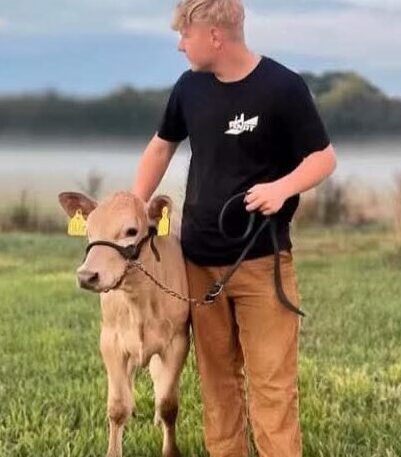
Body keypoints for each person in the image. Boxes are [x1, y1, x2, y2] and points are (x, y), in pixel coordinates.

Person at [132, 1, 337, 456]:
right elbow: (161, 147)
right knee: (217, 382)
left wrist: (282, 188)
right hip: (198, 263)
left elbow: (323, 158)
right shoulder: (189, 88)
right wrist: (133, 206)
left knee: (272, 385)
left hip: (262, 261)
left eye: (185, 35)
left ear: (215, 36)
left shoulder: (282, 87)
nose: (180, 45)